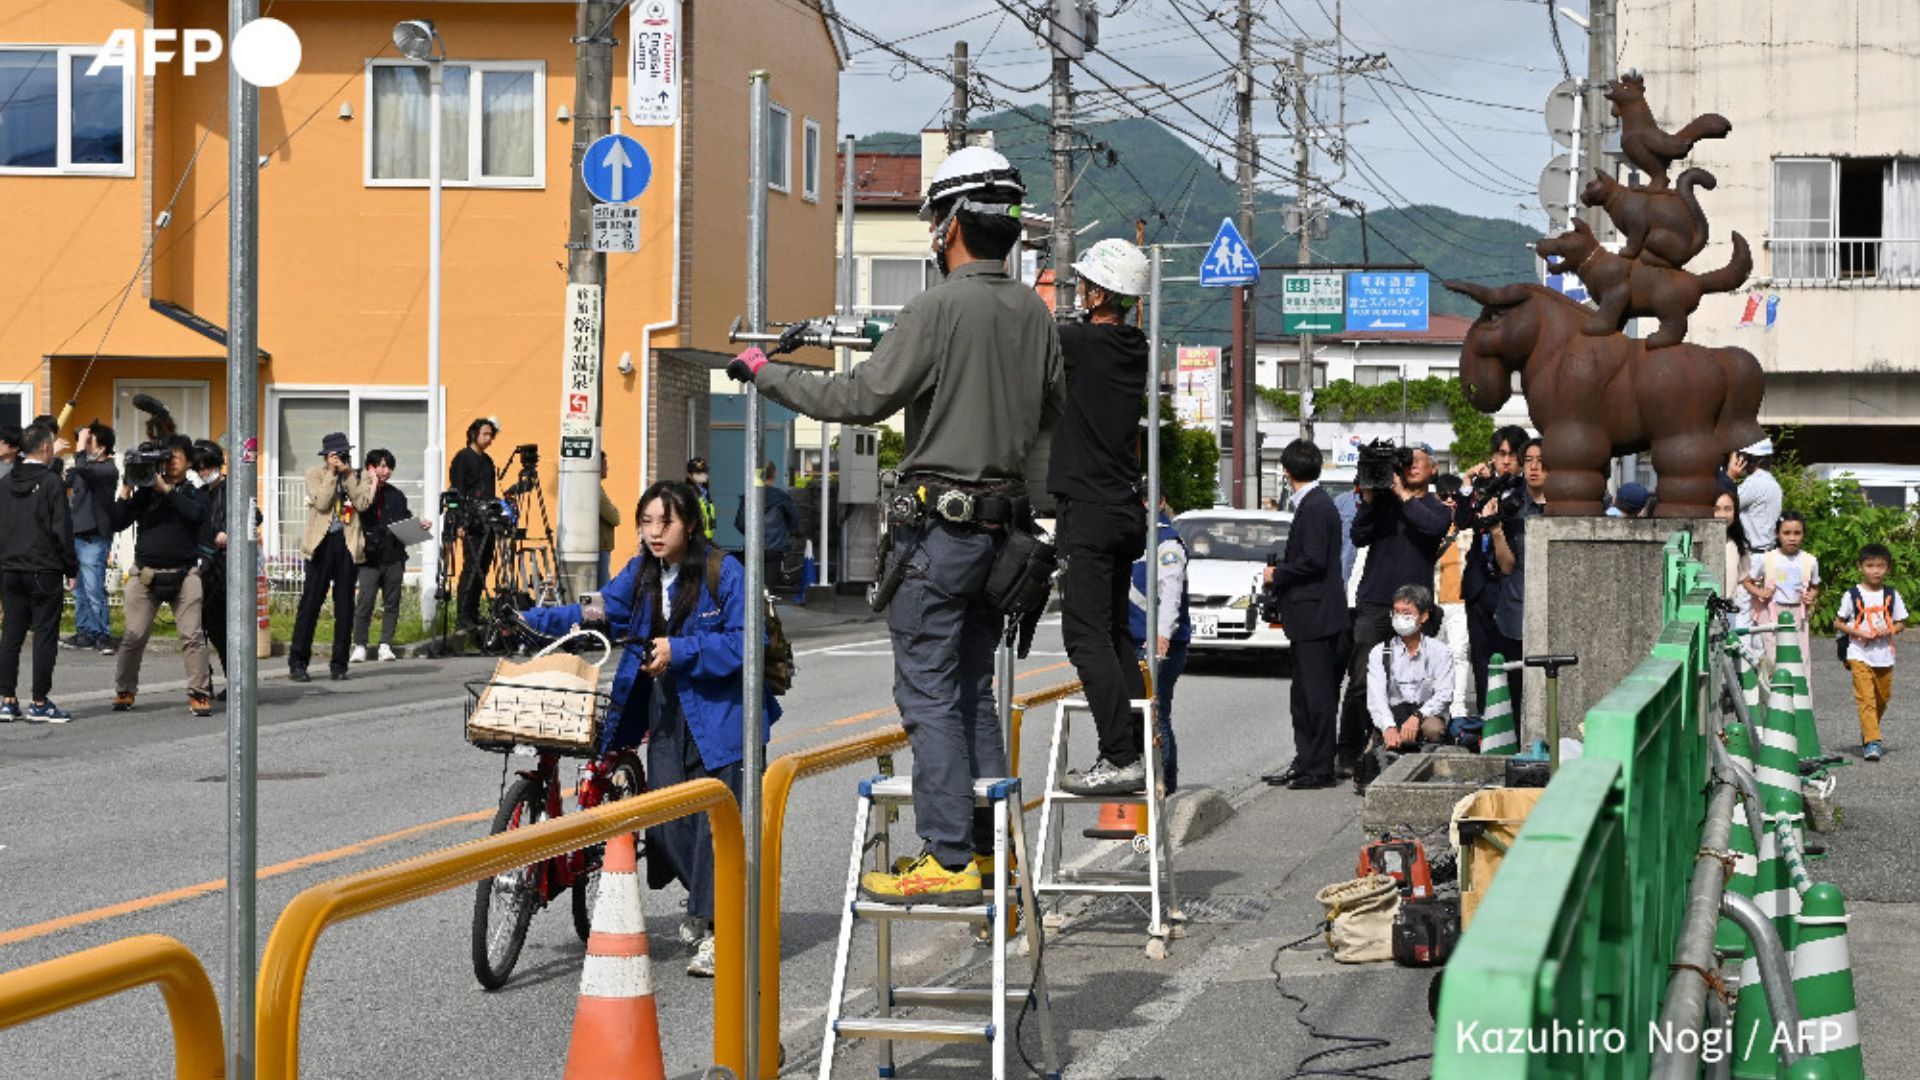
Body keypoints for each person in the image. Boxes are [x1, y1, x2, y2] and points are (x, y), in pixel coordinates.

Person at [726, 144, 1063, 903]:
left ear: (947, 226)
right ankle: (983, 851)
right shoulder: (1035, 314)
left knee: (928, 693)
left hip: (939, 535)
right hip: (1005, 539)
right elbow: (1048, 420)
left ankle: (945, 857)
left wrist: (763, 370)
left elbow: (858, 398)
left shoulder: (938, 308)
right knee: (974, 691)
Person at [520, 481, 778, 977]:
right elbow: (591, 613)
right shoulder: (640, 573)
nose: (656, 532)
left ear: (691, 525)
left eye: (668, 522)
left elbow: (751, 643)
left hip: (724, 716)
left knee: (717, 828)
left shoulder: (725, 572)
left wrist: (681, 651)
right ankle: (705, 909)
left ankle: (721, 930)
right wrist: (531, 620)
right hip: (665, 713)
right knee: (664, 822)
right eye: (647, 522)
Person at [1049, 237, 1154, 796]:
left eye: (1084, 286)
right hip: (1121, 508)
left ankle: (1119, 756)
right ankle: (1133, 747)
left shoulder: (1084, 344)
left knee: (1085, 637)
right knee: (1116, 636)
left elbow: (1033, 339)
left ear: (1096, 294)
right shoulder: (1133, 345)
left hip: (1087, 511)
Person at [1337, 443, 1449, 775]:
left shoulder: (1438, 507)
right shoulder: (1383, 502)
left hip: (1416, 606)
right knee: (1360, 679)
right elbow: (1358, 536)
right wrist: (1371, 501)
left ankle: (1404, 743)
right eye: (1407, 462)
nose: (1412, 466)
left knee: (1414, 679)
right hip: (1374, 601)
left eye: (1419, 461)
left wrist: (1402, 495)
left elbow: (1431, 528)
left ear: (1433, 469)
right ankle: (1347, 752)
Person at [1263, 439, 1351, 789]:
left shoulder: (1315, 506)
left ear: (1286, 471)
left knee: (1316, 696)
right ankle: (1306, 760)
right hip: (1310, 617)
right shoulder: (1317, 503)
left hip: (1316, 616)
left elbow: (1313, 560)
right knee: (1303, 695)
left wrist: (1278, 574)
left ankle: (1319, 767)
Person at [109, 435, 212, 715]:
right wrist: (126, 488)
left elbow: (197, 516)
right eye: (166, 457)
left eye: (176, 456)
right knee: (134, 635)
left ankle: (199, 692)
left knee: (192, 635)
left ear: (189, 462)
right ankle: (125, 690)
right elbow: (117, 522)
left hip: (184, 573)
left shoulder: (195, 491)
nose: (169, 462)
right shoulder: (146, 491)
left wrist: (166, 490)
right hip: (145, 574)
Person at [0, 423, 77, 722]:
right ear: (46, 448)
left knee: (11, 635)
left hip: (9, 567)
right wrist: (71, 568)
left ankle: (7, 699)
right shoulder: (51, 482)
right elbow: (62, 528)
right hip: (43, 567)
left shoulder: (5, 482)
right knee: (44, 634)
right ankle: (40, 701)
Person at [289, 432, 372, 683]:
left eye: (343, 454)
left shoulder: (359, 475)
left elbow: (363, 503)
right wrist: (331, 474)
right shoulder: (314, 473)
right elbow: (323, 502)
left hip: (347, 545)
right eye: (335, 455)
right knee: (310, 604)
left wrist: (347, 475)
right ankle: (298, 662)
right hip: (321, 544)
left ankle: (339, 665)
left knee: (345, 607)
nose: (340, 459)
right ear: (326, 456)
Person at [1128, 491, 1189, 793]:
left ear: (1161, 501)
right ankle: (1148, 778)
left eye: (1148, 499)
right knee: (1138, 710)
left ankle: (1164, 781)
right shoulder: (1132, 533)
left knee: (1156, 710)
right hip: (1132, 636)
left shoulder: (1167, 539)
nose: (1143, 506)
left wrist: (1163, 633)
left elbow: (1171, 589)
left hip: (1157, 641)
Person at [1462, 425, 1527, 712]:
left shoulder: (1525, 493)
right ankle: (1484, 722)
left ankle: (1509, 722)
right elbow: (1463, 520)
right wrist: (1469, 485)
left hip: (1508, 585)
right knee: (1480, 659)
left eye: (1513, 455)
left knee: (1508, 659)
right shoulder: (1484, 487)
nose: (1506, 461)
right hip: (1480, 585)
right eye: (1500, 454)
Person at [1485, 438, 1548, 704]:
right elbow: (1507, 565)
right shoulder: (1512, 506)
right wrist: (1497, 529)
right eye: (1529, 461)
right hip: (1515, 609)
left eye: (1542, 462)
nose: (1534, 468)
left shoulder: (1566, 507)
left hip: (1550, 608)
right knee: (1515, 692)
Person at [1364, 584, 1456, 759]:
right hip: (1393, 715)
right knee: (1374, 759)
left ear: (1423, 616)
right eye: (1396, 612)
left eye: (1406, 613)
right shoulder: (1380, 652)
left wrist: (1417, 717)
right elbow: (1376, 698)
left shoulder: (1440, 651)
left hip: (1425, 716)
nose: (1400, 618)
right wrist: (1388, 727)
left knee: (1434, 729)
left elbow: (1444, 694)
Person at [351, 448, 422, 664]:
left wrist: (419, 525)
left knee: (392, 602)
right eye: (380, 466)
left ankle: (385, 644)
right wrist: (371, 483)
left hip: (394, 556)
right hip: (369, 558)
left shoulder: (397, 496)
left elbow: (404, 520)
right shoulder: (360, 493)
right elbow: (361, 511)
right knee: (365, 601)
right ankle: (360, 645)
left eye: (388, 466)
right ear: (370, 468)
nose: (385, 471)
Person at [1836, 542, 1905, 763]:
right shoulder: (1852, 594)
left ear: (1888, 568)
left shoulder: (1891, 594)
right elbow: (1838, 623)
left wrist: (1891, 628)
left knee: (1882, 698)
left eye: (1881, 566)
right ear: (1860, 567)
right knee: (1865, 698)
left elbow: (1902, 622)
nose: (1875, 570)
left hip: (1884, 654)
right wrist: (1857, 632)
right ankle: (1872, 741)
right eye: (1870, 565)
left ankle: (1868, 729)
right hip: (1859, 653)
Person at [1744, 509, 1819, 692]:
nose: (1791, 538)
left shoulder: (1810, 561)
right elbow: (1747, 581)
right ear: (1778, 534)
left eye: (1797, 533)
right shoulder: (1767, 558)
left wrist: (1811, 595)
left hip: (1798, 615)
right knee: (1773, 657)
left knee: (1802, 658)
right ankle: (1775, 698)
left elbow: (1815, 585)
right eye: (1786, 533)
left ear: (1803, 534)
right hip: (1771, 614)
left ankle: (1802, 701)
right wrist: (1760, 591)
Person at [65, 422, 119, 651]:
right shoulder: (85, 465)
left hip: (94, 537)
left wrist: (78, 447)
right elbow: (69, 481)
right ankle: (84, 632)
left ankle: (102, 634)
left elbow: (85, 472)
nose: (87, 444)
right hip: (76, 533)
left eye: (91, 441)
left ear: (103, 447)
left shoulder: (108, 469)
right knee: (79, 589)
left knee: (94, 588)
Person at [451, 418, 499, 632]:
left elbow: (490, 491)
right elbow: (458, 490)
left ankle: (474, 611)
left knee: (484, 566)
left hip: (487, 521)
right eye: (485, 434)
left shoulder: (488, 461)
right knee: (471, 567)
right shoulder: (463, 458)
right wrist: (459, 521)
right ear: (474, 434)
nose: (488, 439)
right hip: (470, 521)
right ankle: (463, 615)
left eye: (491, 435)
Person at [190, 441, 231, 682]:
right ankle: (205, 680)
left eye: (206, 467)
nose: (203, 473)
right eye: (199, 469)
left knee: (223, 631)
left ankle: (233, 681)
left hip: (225, 569)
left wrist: (229, 532)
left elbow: (254, 515)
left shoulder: (233, 489)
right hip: (204, 567)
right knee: (201, 629)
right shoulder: (201, 494)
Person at [1433, 474, 1473, 721]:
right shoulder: (1429, 525)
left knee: (1459, 653)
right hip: (1433, 601)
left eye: (1454, 496)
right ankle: (1434, 703)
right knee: (1433, 656)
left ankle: (1458, 704)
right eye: (1444, 495)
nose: (1450, 500)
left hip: (1460, 602)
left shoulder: (1467, 527)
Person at [733, 462, 802, 593]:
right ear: (774, 474)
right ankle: (765, 610)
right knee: (768, 590)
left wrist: (752, 534)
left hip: (752, 549)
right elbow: (794, 522)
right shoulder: (782, 498)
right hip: (774, 549)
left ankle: (751, 612)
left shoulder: (749, 497)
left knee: (750, 589)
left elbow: (740, 523)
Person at [1730, 437, 1782, 554]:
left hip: (1754, 556)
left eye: (1743, 456)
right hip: (1768, 552)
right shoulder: (1772, 483)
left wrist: (1731, 475)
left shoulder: (1754, 483)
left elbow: (1727, 504)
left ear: (1751, 459)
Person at [597, 451, 621, 586]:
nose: (607, 468)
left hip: (601, 545)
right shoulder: (596, 490)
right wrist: (615, 511)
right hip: (600, 546)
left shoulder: (597, 488)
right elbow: (614, 517)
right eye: (604, 464)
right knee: (602, 588)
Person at [686, 457, 716, 539]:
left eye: (705, 472)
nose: (703, 475)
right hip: (694, 538)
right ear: (690, 475)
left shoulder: (705, 492)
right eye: (698, 473)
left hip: (706, 538)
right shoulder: (688, 492)